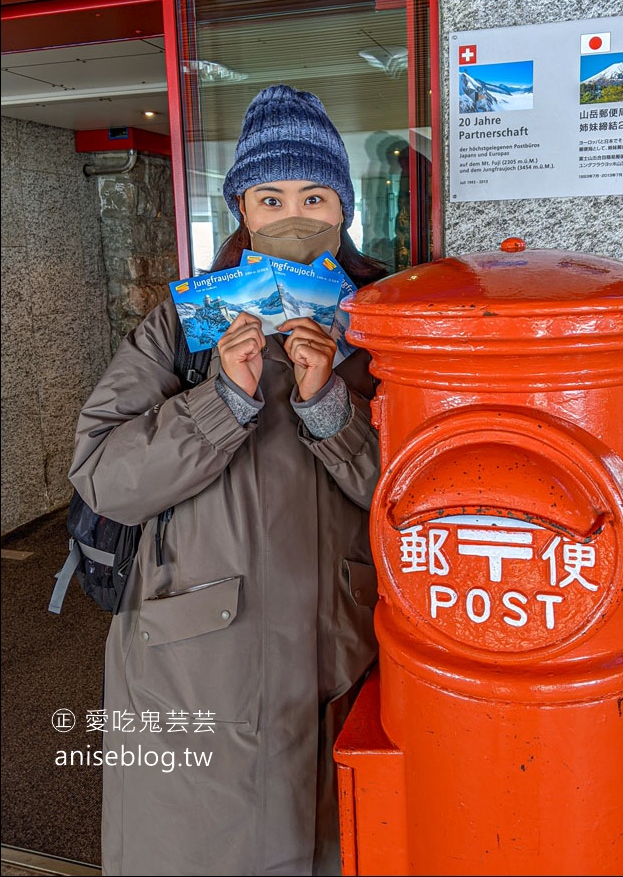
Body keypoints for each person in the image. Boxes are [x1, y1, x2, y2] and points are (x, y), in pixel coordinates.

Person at [69, 85, 388, 877]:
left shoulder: (382, 326)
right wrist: (223, 401)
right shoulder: (181, 329)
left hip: (342, 654)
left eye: (315, 196)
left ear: (344, 209)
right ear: (241, 207)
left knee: (339, 840)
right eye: (269, 195)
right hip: (193, 668)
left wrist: (330, 412)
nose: (293, 215)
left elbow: (419, 497)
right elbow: (104, 475)